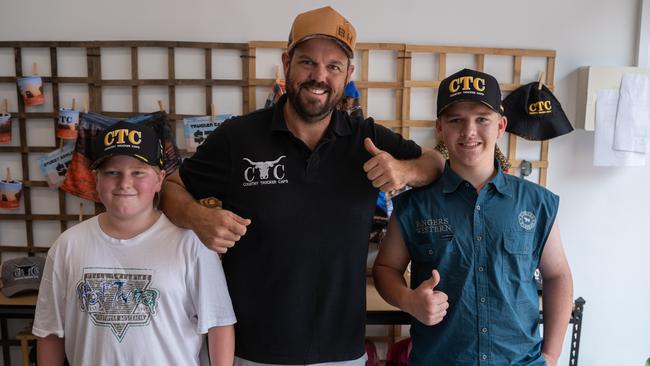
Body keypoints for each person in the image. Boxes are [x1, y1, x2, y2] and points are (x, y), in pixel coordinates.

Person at [160, 6, 444, 366]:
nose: (319, 76)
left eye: (333, 67)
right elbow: (171, 188)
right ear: (286, 62)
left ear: (348, 74)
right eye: (308, 62)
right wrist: (196, 216)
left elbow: (434, 163)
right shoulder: (238, 137)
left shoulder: (366, 137)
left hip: (342, 352)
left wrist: (403, 171)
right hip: (250, 351)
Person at [373, 68, 573, 366]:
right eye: (456, 120)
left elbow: (557, 275)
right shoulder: (412, 206)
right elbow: (386, 268)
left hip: (519, 361)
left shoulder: (536, 202)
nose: (469, 131)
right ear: (439, 127)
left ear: (501, 126)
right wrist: (407, 300)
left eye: (482, 119)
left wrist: (552, 356)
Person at [32, 121, 236, 366]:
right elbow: (50, 331)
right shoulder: (68, 245)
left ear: (160, 179)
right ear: (96, 180)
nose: (124, 183)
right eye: (112, 172)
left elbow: (218, 324)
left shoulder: (192, 244)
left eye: (138, 172)